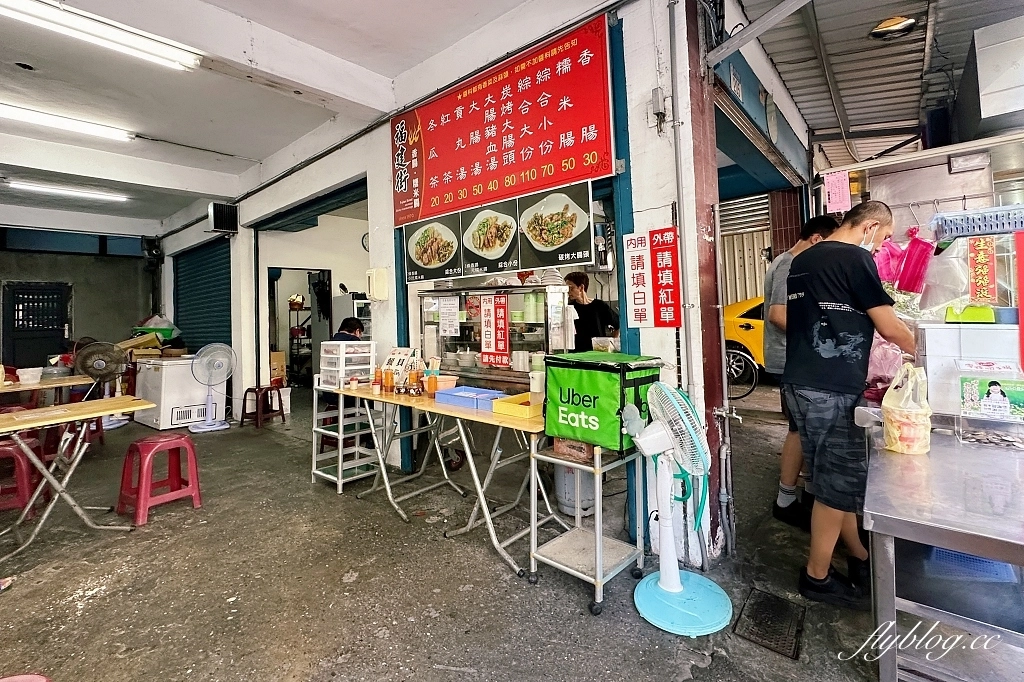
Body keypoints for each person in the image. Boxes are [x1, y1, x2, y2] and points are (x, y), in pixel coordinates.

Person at [782, 201, 916, 610]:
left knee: (830, 478)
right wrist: (923, 356)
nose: (882, 246)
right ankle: (816, 577)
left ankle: (858, 555)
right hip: (832, 387)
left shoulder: (803, 260)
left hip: (799, 382)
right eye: (885, 237)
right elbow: (890, 325)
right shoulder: (856, 258)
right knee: (836, 486)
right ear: (871, 226)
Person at [763, 216, 839, 531]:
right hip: (790, 359)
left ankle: (805, 492)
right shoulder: (788, 264)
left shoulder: (793, 263)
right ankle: (785, 500)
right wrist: (819, 336)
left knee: (804, 428)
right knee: (799, 428)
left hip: (798, 358)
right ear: (817, 240)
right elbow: (777, 314)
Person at [564, 271, 619, 351]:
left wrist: (611, 344)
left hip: (598, 353)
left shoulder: (600, 306)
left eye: (571, 288)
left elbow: (617, 325)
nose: (568, 291)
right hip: (576, 353)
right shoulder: (569, 307)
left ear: (581, 287)